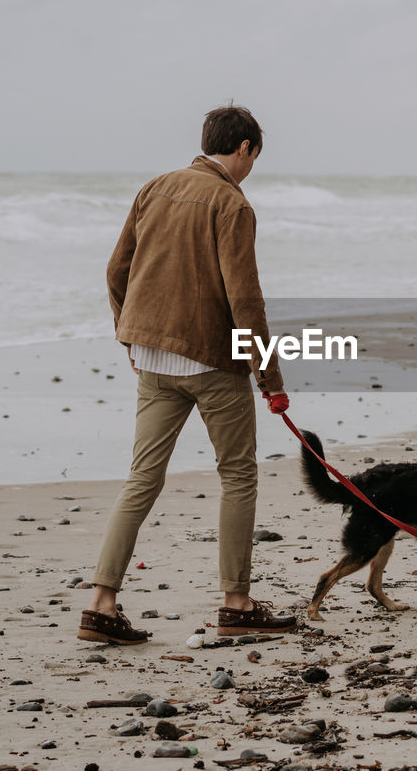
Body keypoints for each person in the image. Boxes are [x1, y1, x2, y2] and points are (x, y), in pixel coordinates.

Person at [77, 105, 297, 645]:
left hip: (152, 358)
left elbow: (115, 270)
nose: (250, 169)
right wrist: (269, 379)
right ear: (243, 148)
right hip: (212, 362)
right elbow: (245, 298)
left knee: (141, 479)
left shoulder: (155, 187)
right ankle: (236, 603)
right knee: (238, 475)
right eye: (253, 158)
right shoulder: (231, 202)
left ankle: (101, 605)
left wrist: (128, 331)